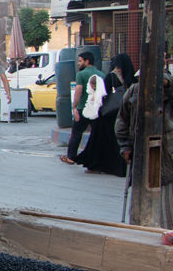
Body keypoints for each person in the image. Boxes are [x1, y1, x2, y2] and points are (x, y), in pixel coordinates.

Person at [115, 72, 173, 228]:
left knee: (167, 198)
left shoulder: (169, 91)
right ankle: (142, 230)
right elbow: (122, 121)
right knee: (142, 196)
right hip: (141, 151)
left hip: (167, 152)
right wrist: (125, 146)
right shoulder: (134, 92)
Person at [75, 53, 135, 176]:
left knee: (100, 141)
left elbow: (102, 95)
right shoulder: (132, 79)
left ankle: (97, 165)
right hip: (125, 116)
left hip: (108, 117)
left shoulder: (111, 77)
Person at [60, 52, 105, 165]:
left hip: (83, 109)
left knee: (76, 133)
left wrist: (74, 107)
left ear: (87, 61)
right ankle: (97, 159)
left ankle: (71, 157)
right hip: (97, 109)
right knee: (96, 135)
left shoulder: (81, 74)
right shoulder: (101, 74)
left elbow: (78, 91)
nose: (79, 63)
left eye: (80, 61)